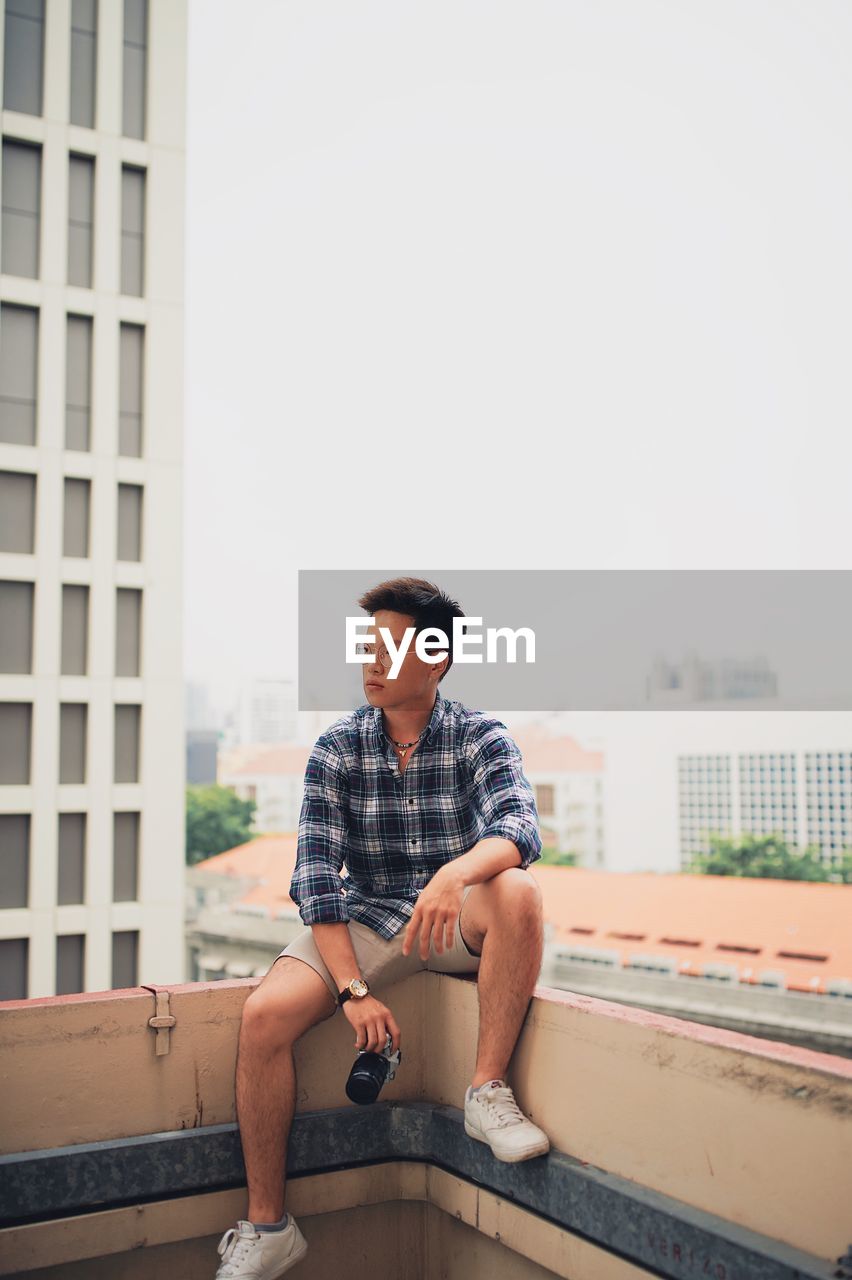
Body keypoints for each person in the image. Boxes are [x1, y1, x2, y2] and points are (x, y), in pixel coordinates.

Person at [214, 577, 550, 1278]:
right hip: (364, 919)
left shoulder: (479, 736)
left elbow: (518, 827)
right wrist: (352, 990)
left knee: (517, 892)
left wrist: (453, 877)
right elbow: (315, 882)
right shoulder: (337, 748)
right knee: (264, 1017)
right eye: (367, 648)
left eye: (391, 650)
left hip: (449, 918)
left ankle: (486, 1093)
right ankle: (269, 1225)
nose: (371, 664)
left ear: (436, 661)